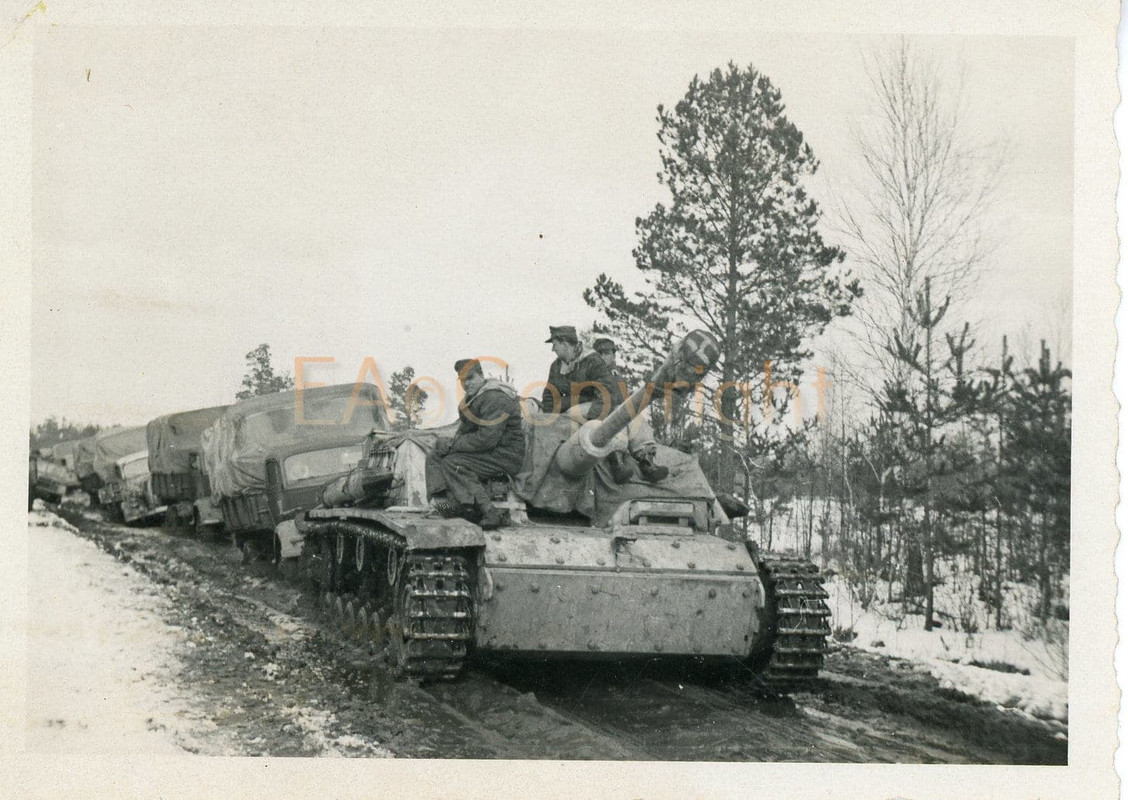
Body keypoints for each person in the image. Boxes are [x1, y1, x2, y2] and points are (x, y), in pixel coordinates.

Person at [542, 326, 668, 483]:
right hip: (573, 410)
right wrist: (548, 419)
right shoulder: (556, 367)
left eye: (555, 344)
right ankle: (616, 462)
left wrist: (595, 418)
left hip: (597, 406)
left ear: (565, 343)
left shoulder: (592, 361)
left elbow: (605, 392)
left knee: (631, 415)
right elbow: (549, 394)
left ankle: (646, 461)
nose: (553, 349)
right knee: (611, 416)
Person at [426, 359, 526, 530]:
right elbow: (465, 431)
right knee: (436, 455)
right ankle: (444, 503)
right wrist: (446, 444)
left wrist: (452, 445)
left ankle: (487, 511)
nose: (467, 384)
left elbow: (488, 438)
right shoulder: (475, 398)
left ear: (481, 375)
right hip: (490, 451)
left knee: (453, 463)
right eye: (463, 380)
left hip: (506, 454)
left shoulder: (495, 397)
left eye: (470, 378)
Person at [591, 336, 668, 483]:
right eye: (600, 354)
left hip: (615, 410)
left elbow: (623, 398)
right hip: (597, 412)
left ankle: (647, 463)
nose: (604, 357)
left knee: (634, 416)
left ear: (613, 356)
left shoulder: (617, 376)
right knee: (616, 419)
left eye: (608, 353)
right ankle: (617, 464)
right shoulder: (590, 373)